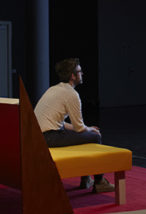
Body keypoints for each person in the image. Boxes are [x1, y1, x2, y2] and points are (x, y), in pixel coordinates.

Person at [34, 58, 114, 193]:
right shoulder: (71, 94)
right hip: (50, 137)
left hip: (40, 136)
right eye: (79, 71)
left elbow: (61, 123)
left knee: (87, 135)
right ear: (72, 75)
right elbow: (79, 127)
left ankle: (86, 179)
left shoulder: (54, 89)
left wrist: (86, 129)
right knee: (95, 136)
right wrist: (90, 129)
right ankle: (99, 182)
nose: (82, 74)